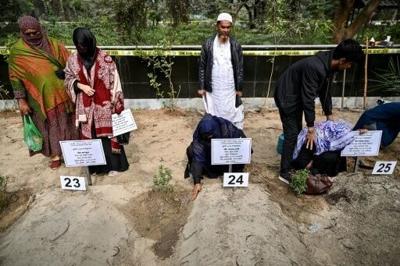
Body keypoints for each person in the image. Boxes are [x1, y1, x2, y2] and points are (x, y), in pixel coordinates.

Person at [274, 39, 364, 184]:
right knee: (292, 133)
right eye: (349, 64)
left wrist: (329, 115)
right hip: (287, 96)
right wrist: (311, 127)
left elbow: (325, 91)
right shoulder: (315, 67)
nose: (349, 67)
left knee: (297, 132)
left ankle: (295, 161)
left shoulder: (329, 63)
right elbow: (308, 98)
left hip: (296, 94)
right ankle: (284, 172)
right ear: (342, 60)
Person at [8, 15, 77, 169]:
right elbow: (15, 77)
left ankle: (71, 152)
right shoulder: (18, 52)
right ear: (22, 33)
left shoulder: (53, 44)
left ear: (40, 29)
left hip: (64, 93)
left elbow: (71, 61)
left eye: (35, 32)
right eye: (28, 34)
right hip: (41, 98)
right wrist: (21, 100)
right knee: (50, 127)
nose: (32, 36)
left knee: (68, 123)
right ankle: (55, 156)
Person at [64, 27, 129, 176]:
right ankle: (95, 168)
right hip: (85, 107)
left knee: (107, 135)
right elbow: (67, 78)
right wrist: (80, 86)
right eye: (80, 46)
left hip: (104, 104)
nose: (84, 49)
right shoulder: (72, 60)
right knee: (91, 135)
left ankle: (114, 166)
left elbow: (115, 82)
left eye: (86, 45)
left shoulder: (105, 59)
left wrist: (116, 103)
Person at [198, 12, 244, 129]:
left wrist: (239, 88)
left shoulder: (235, 45)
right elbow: (202, 66)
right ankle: (216, 133)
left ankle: (229, 132)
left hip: (230, 85)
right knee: (214, 111)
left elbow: (239, 68)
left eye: (228, 27)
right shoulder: (208, 44)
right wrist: (202, 87)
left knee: (231, 111)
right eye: (223, 27)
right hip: (214, 85)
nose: (225, 30)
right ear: (217, 26)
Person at [185, 114, 247, 200]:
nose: (208, 137)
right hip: (211, 160)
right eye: (206, 136)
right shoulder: (199, 134)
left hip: (227, 160)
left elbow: (244, 145)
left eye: (210, 135)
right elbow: (198, 156)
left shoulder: (226, 127)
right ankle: (206, 173)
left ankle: (231, 173)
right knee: (191, 150)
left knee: (242, 149)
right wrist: (197, 182)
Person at [291, 120, 356, 178]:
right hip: (312, 152)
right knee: (330, 157)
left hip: (318, 149)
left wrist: (312, 163)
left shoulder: (328, 140)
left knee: (332, 156)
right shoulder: (311, 141)